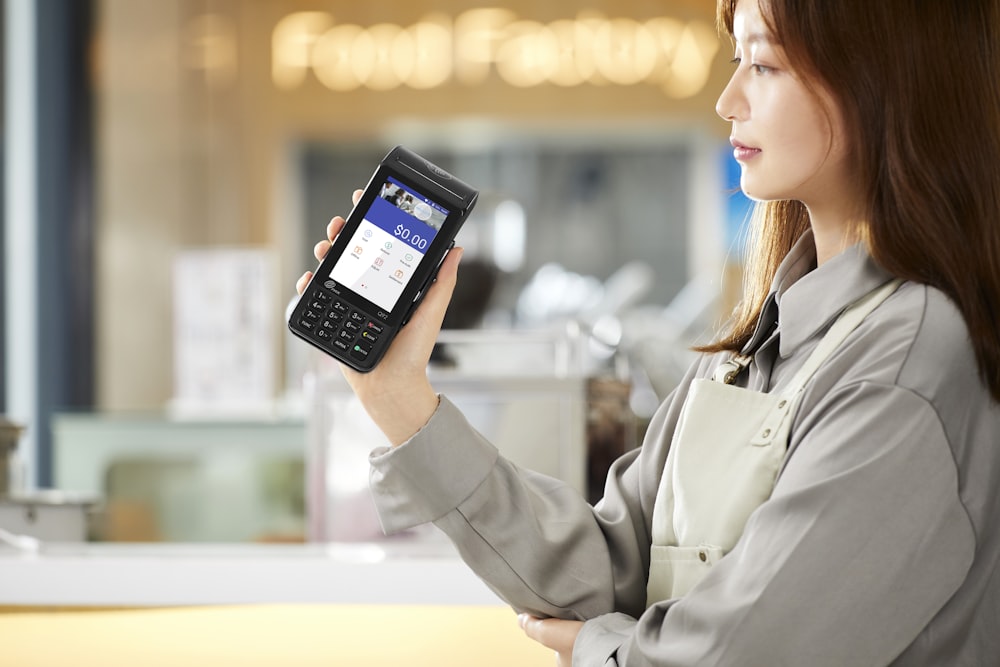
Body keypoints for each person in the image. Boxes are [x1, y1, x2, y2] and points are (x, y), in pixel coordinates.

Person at [295, 0, 1000, 663]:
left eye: (764, 64)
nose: (729, 101)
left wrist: (598, 649)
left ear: (882, 82)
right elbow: (604, 568)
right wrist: (396, 394)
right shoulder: (752, 349)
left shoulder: (910, 358)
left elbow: (744, 652)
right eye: (737, 62)